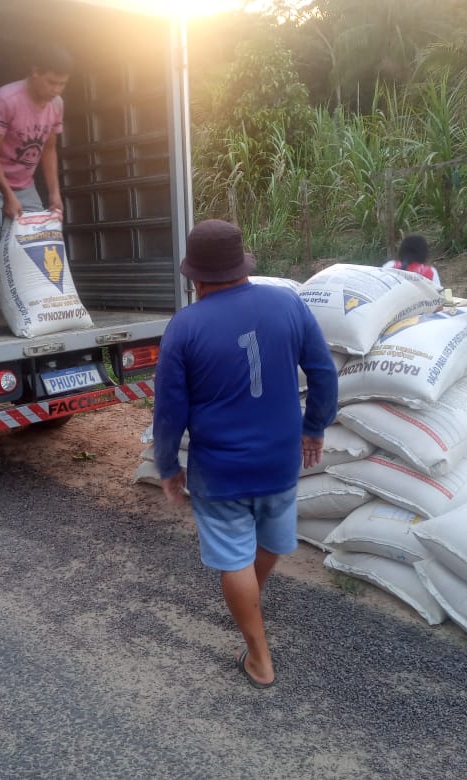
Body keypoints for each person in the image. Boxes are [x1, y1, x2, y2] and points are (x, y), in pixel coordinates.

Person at [152, 220, 339, 690]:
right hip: (279, 462)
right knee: (273, 543)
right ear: (242, 265)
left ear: (194, 277)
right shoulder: (287, 304)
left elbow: (169, 409)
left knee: (234, 561)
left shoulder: (185, 326)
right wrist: (313, 428)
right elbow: (324, 374)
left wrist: (168, 466)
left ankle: (259, 657)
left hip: (220, 472)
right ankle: (249, 597)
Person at [0, 46, 72, 339]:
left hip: (24, 181)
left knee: (39, 238)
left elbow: (49, 149)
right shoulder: (5, 100)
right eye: (51, 82)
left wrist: (54, 193)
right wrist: (7, 196)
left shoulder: (56, 104)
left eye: (62, 84)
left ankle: (41, 309)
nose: (56, 89)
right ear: (35, 71)